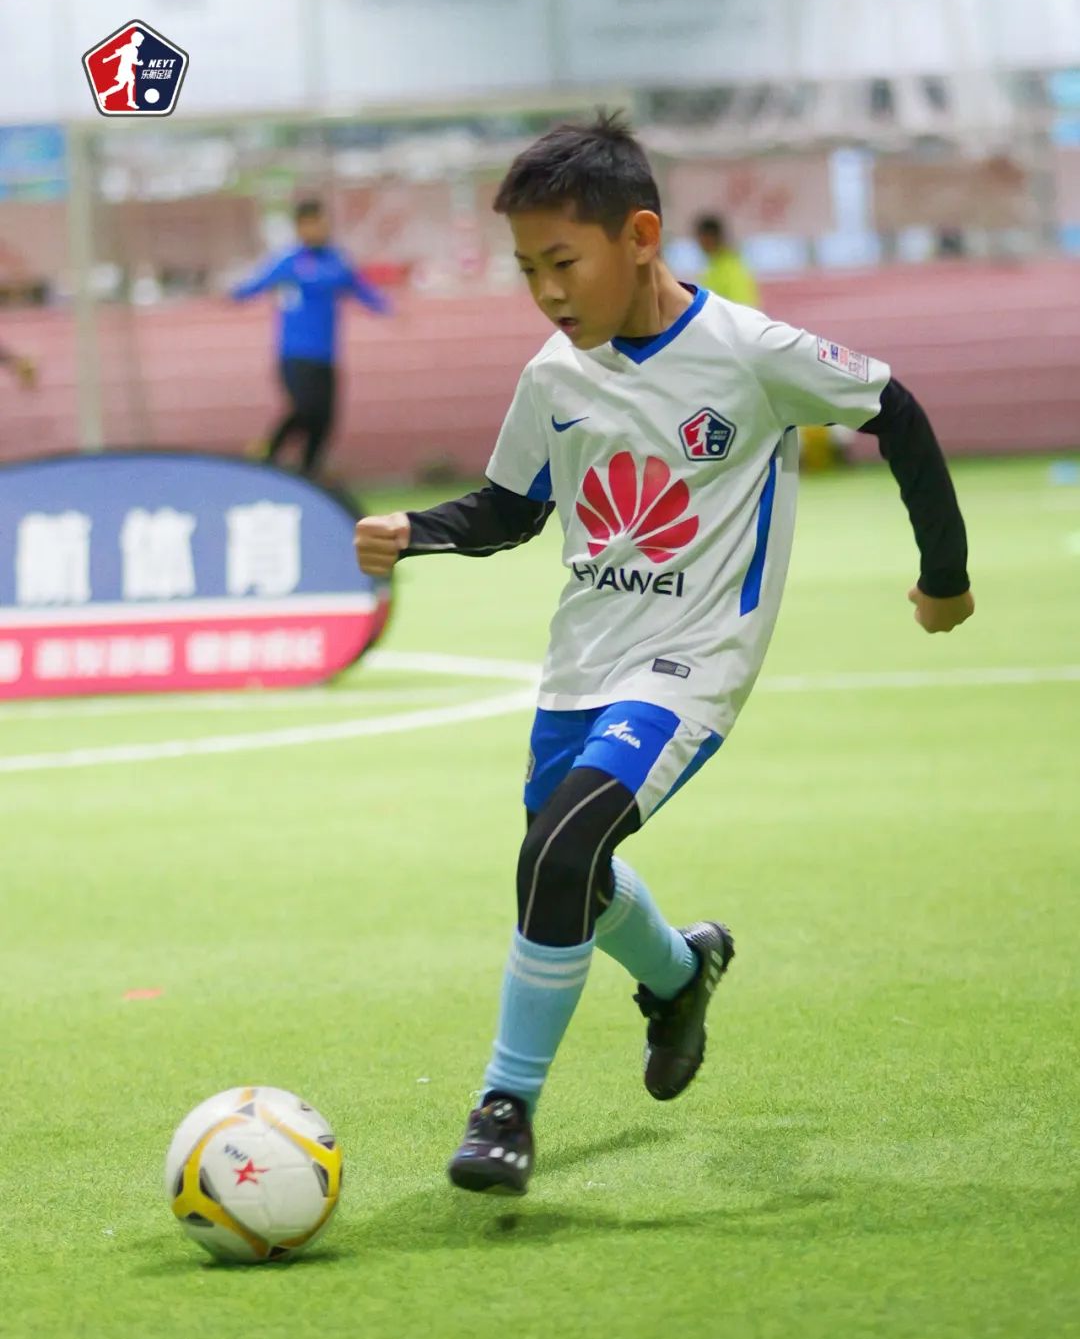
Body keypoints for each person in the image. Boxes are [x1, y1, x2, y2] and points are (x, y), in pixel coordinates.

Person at [354, 112, 974, 1196]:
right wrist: (417, 530)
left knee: (559, 851)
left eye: (564, 262)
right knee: (569, 869)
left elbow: (897, 410)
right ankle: (683, 974)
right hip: (582, 663)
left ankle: (505, 1104)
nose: (547, 292)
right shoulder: (555, 375)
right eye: (528, 269)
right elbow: (512, 508)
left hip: (694, 664)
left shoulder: (751, 353)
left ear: (640, 237)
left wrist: (945, 576)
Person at [230, 198, 390, 479]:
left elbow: (362, 289)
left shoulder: (337, 261)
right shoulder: (289, 262)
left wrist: (387, 308)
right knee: (305, 409)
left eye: (321, 222)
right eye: (311, 223)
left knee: (324, 419)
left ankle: (308, 472)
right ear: (300, 227)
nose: (318, 228)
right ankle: (267, 454)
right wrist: (235, 293)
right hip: (294, 354)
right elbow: (252, 286)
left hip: (326, 355)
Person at [695, 213, 760, 308]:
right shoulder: (712, 266)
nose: (700, 243)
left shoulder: (732, 266)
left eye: (703, 238)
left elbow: (741, 304)